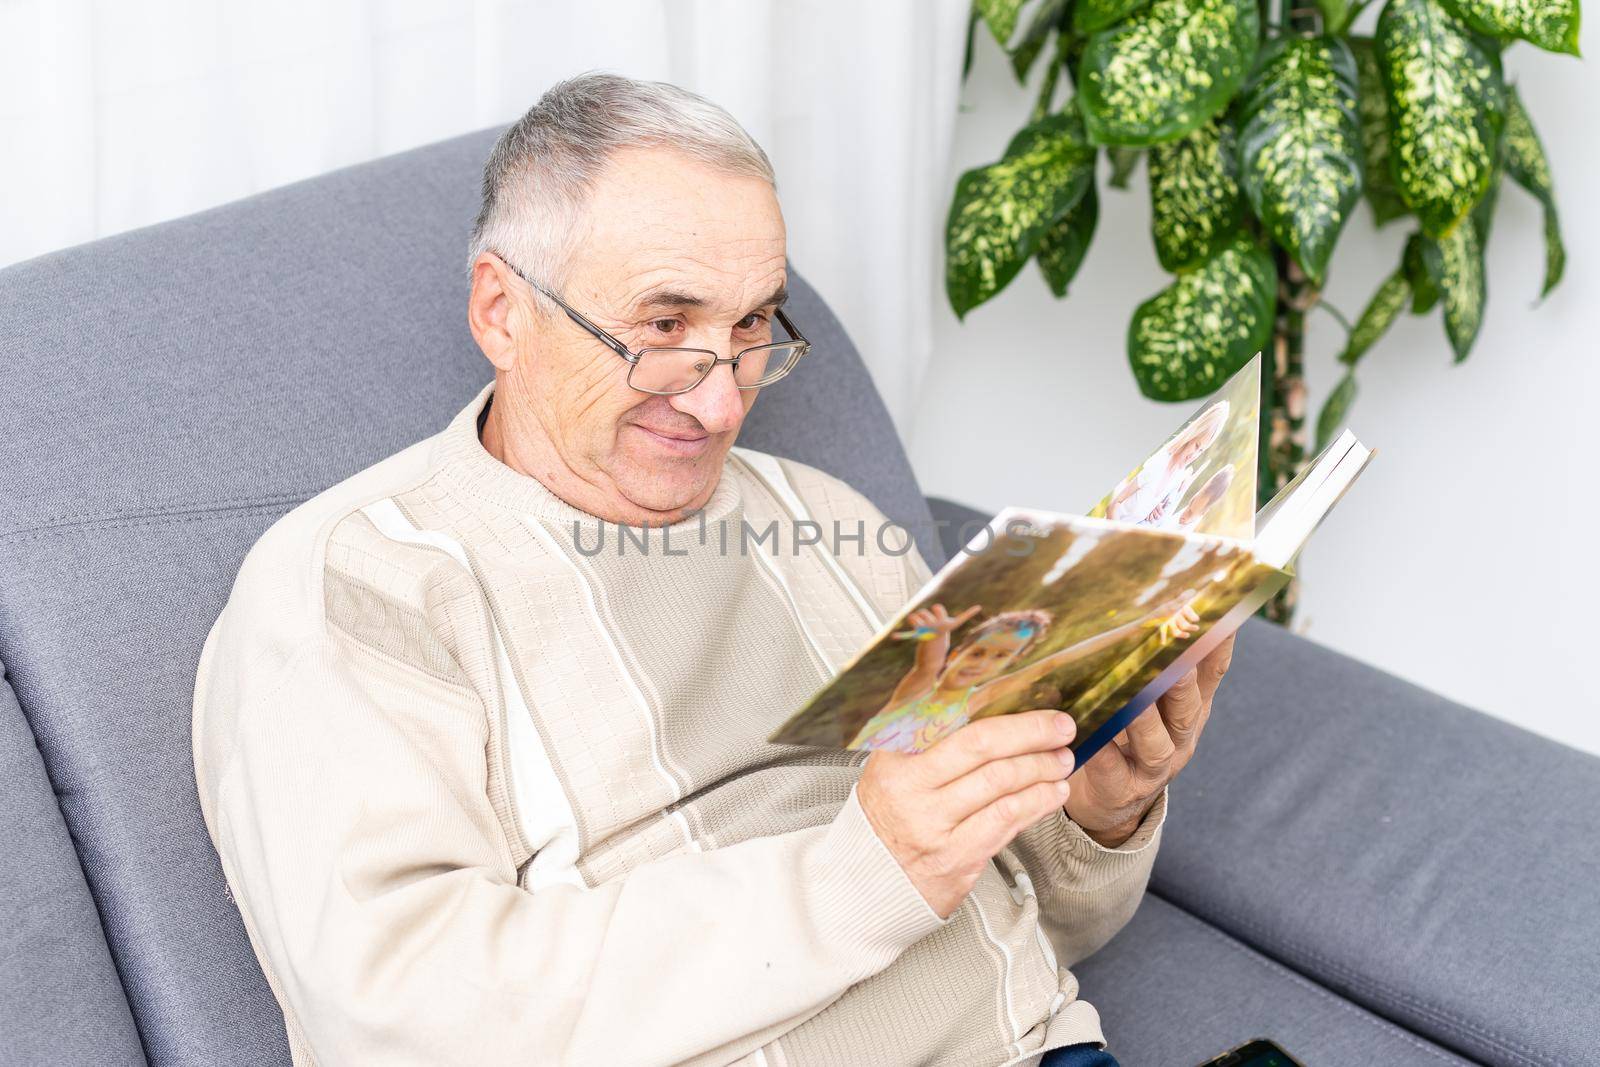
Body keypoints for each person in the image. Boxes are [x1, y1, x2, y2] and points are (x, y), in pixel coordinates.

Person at [192, 72, 1236, 1067]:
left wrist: (1101, 809)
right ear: (500, 311)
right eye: (662, 326)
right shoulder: (360, 583)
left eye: (749, 327)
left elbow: (1042, 924)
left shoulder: (826, 520)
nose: (722, 401)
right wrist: (858, 872)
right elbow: (395, 1016)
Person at [851, 599, 1202, 752]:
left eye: (998, 658)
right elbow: (927, 665)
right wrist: (938, 636)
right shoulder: (917, 693)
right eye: (976, 652)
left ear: (1005, 668)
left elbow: (1050, 664)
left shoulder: (976, 699)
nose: (980, 662)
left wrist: (1141, 624)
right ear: (957, 653)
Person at [1107, 400, 1229, 527]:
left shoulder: (1178, 477)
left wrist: (1152, 507)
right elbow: (1113, 506)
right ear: (1191, 435)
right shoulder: (1159, 463)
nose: (1195, 454)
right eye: (1196, 445)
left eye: (1201, 450)